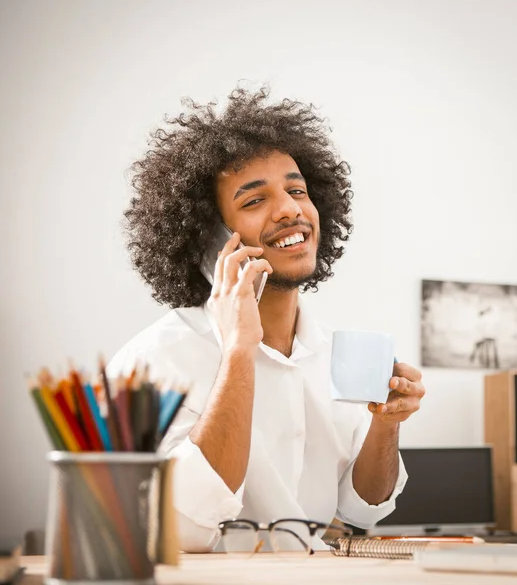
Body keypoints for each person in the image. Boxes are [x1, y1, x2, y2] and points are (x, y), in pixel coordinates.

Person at [108, 87, 425, 552]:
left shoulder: (334, 354)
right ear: (208, 241)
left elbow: (363, 508)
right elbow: (184, 527)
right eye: (254, 201)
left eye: (297, 191)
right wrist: (239, 350)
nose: (291, 209)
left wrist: (386, 423)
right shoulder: (154, 362)